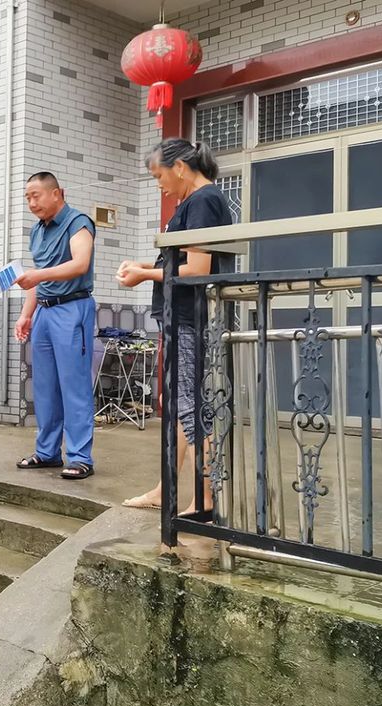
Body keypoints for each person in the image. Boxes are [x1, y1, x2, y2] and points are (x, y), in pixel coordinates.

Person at [116, 138, 232, 513]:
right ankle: (166, 488)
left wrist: (144, 274)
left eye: (159, 176)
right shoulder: (197, 200)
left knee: (191, 406)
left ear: (179, 167)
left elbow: (197, 269)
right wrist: (144, 268)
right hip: (183, 317)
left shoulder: (202, 201)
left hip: (189, 318)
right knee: (182, 405)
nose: (159, 185)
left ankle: (207, 499)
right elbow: (184, 262)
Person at [14, 172, 97, 480]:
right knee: (45, 387)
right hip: (44, 313)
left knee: (74, 385)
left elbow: (80, 263)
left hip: (73, 308)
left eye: (35, 195)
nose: (31, 203)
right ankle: (47, 452)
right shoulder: (37, 231)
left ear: (57, 193)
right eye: (27, 198)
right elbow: (37, 279)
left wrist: (38, 275)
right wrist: (26, 314)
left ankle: (80, 457)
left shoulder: (78, 222)